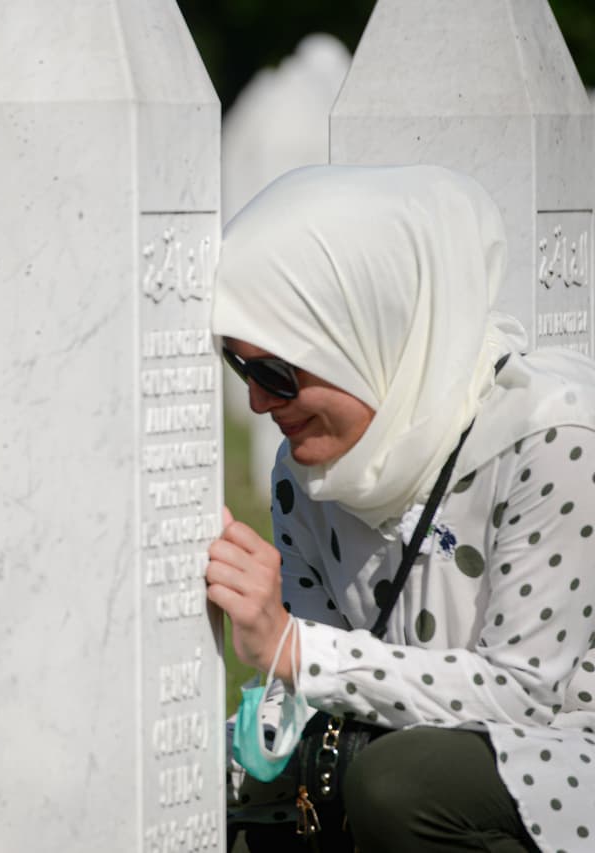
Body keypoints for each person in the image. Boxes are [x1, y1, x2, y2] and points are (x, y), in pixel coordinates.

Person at [206, 164, 595, 852]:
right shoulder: (306, 471)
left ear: (364, 337)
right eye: (242, 369)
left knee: (399, 783)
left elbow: (526, 694)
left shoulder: (553, 435)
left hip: (563, 754)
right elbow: (313, 680)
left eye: (276, 372)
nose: (258, 403)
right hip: (416, 744)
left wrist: (292, 649)